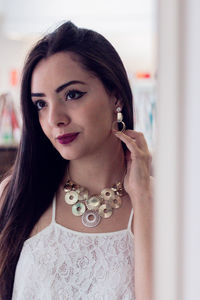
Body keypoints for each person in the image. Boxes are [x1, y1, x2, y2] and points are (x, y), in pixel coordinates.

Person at [0, 21, 153, 300]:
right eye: (40, 104)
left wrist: (143, 196)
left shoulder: (165, 204)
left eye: (72, 94)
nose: (54, 119)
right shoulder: (14, 196)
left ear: (115, 94)